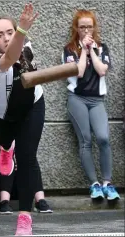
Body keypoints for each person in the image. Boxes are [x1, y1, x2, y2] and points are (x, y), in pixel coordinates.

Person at [0, 3, 46, 235]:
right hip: (0, 114)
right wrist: (21, 30)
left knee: (28, 157)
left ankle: (25, 218)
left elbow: (19, 52)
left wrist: (21, 33)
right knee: (7, 142)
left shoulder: (26, 45)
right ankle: (6, 148)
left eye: (10, 32)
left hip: (32, 106)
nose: (6, 38)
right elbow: (9, 59)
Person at [62, 9, 120, 201]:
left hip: (97, 100)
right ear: (76, 29)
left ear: (94, 28)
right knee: (86, 140)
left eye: (89, 26)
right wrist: (83, 51)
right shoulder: (69, 49)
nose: (86, 30)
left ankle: (107, 183)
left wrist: (92, 50)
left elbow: (102, 70)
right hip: (77, 99)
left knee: (103, 138)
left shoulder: (102, 48)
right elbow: (78, 72)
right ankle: (94, 184)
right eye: (82, 27)